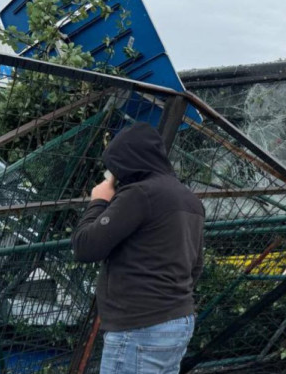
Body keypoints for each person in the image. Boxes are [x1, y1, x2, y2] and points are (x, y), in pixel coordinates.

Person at [71, 123, 205, 374]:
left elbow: (85, 247)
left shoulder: (140, 194)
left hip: (140, 327)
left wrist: (99, 200)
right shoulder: (191, 200)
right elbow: (196, 266)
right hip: (178, 321)